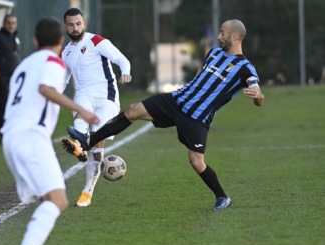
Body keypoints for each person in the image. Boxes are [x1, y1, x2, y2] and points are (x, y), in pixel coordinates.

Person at [63, 19, 265, 211]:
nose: (220, 36)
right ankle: (88, 142)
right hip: (176, 100)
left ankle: (222, 197)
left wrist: (257, 95)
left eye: (223, 32)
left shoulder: (245, 68)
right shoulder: (213, 53)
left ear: (236, 36)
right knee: (132, 110)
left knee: (196, 162)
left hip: (196, 118)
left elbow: (256, 91)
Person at [0, 17, 99, 245]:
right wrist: (80, 109)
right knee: (58, 199)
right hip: (30, 137)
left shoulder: (23, 65)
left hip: (10, 136)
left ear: (35, 40)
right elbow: (44, 89)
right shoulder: (54, 63)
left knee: (49, 199)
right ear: (61, 39)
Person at [61, 8, 132, 207]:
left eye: (78, 24)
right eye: (70, 25)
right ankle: (80, 145)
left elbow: (121, 59)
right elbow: (63, 81)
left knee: (97, 138)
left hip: (107, 96)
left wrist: (125, 72)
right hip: (83, 94)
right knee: (81, 116)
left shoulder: (97, 41)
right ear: (64, 26)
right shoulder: (66, 52)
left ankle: (87, 186)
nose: (74, 28)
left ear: (84, 24)